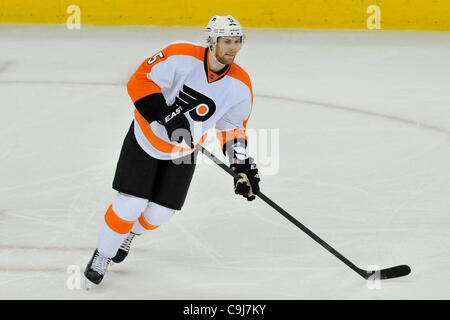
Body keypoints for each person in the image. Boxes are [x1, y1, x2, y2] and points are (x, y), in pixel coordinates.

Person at [84, 15, 261, 285]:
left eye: (237, 42)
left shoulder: (240, 85)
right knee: (130, 204)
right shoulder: (180, 55)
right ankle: (104, 254)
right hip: (147, 138)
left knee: (159, 214)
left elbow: (232, 128)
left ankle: (130, 235)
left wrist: (242, 166)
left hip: (184, 150)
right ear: (211, 40)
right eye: (226, 41)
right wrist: (164, 114)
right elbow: (140, 80)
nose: (233, 48)